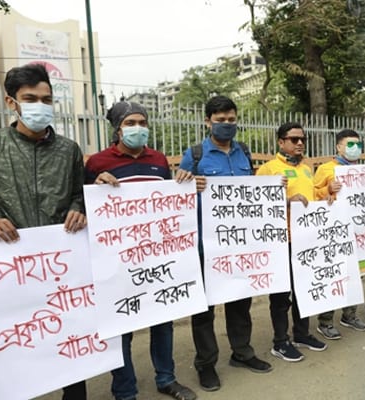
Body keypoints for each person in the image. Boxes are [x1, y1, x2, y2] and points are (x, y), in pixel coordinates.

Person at [0, 64, 88, 399]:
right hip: (9, 269)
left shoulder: (69, 150)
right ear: (11, 102)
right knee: (15, 346)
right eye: (30, 98)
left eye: (46, 99)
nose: (40, 105)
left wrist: (78, 209)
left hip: (62, 269)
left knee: (70, 342)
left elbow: (79, 193)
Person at [86, 101, 198, 400]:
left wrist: (182, 183)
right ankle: (124, 390)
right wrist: (95, 184)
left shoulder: (159, 160)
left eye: (143, 122)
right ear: (118, 128)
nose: (138, 128)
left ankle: (167, 378)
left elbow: (165, 202)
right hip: (117, 262)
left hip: (157, 258)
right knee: (121, 325)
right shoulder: (97, 162)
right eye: (131, 123)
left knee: (163, 319)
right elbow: (85, 206)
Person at [177, 96, 273, 391]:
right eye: (220, 119)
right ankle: (206, 364)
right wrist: (188, 186)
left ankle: (242, 353)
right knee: (204, 309)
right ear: (208, 122)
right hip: (207, 248)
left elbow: (253, 195)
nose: (227, 124)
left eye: (231, 119)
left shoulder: (243, 152)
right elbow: (178, 199)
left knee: (240, 301)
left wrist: (272, 189)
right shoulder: (193, 156)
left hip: (241, 246)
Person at [256, 122, 328, 362]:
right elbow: (258, 206)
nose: (299, 143)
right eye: (294, 139)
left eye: (302, 139)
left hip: (306, 238)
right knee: (280, 295)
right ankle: (280, 341)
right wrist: (286, 199)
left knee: (304, 290)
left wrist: (329, 193)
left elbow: (315, 197)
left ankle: (301, 334)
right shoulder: (268, 170)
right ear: (281, 142)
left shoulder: (307, 168)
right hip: (282, 240)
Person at [313, 129, 365, 339]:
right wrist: (327, 190)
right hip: (333, 232)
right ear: (338, 147)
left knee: (353, 274)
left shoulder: (362, 171)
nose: (354, 149)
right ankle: (325, 320)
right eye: (349, 145)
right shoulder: (326, 169)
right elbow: (313, 195)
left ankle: (350, 315)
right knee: (333, 275)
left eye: (358, 145)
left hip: (356, 231)